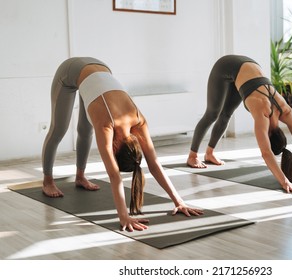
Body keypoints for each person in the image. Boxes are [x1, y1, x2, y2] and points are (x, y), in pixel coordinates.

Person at [42, 57, 203, 231]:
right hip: (70, 70)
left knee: (85, 130)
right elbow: (114, 176)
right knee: (58, 129)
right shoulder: (107, 124)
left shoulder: (139, 122)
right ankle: (47, 181)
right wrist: (123, 216)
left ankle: (80, 177)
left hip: (101, 70)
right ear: (117, 147)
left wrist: (179, 201)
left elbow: (154, 163)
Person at [186, 54, 292, 193]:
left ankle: (209, 154)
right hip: (226, 66)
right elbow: (266, 153)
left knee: (227, 114)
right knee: (213, 113)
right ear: (270, 135)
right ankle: (192, 156)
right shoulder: (262, 112)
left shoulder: (285, 111)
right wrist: (285, 182)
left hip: (247, 70)